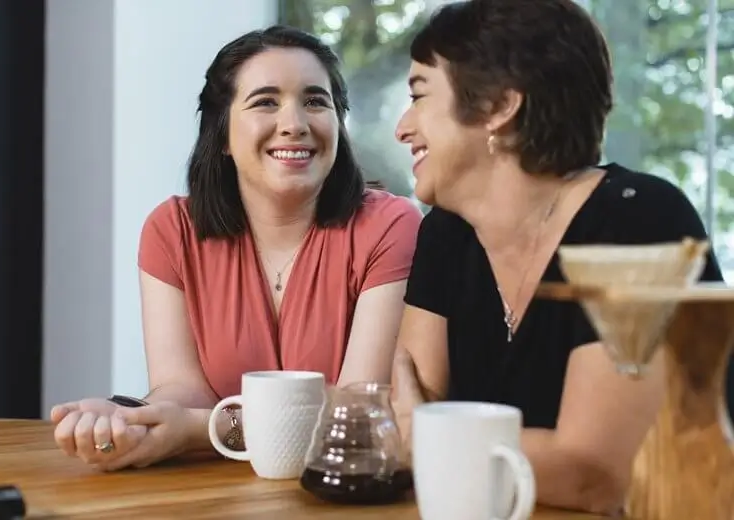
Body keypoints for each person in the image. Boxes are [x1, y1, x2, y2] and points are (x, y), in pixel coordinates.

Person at [388, 0, 728, 515]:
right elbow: (404, 412)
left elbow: (595, 474)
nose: (402, 127)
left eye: (418, 95)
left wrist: (429, 439)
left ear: (499, 106)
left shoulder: (639, 222)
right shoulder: (446, 234)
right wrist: (427, 436)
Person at [50, 25, 422, 471]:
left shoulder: (391, 226)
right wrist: (132, 421)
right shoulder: (172, 231)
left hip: (338, 492)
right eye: (266, 102)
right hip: (216, 495)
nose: (295, 125)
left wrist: (197, 431)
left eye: (315, 101)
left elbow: (356, 413)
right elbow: (182, 390)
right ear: (223, 133)